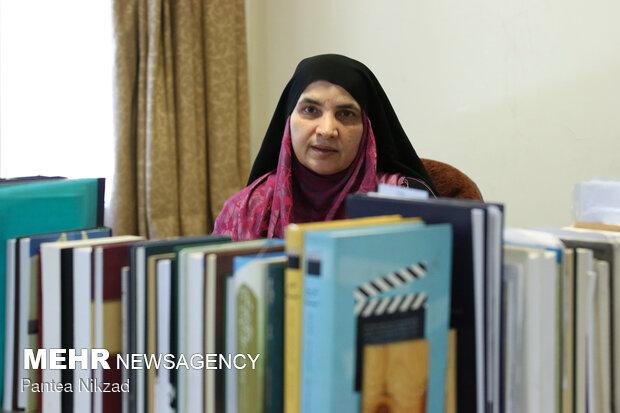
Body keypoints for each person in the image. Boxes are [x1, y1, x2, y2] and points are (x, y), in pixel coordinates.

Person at [213, 54, 436, 241]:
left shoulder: (405, 202)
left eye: (346, 114)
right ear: (288, 122)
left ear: (368, 130)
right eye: (310, 110)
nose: (327, 130)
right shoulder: (246, 209)